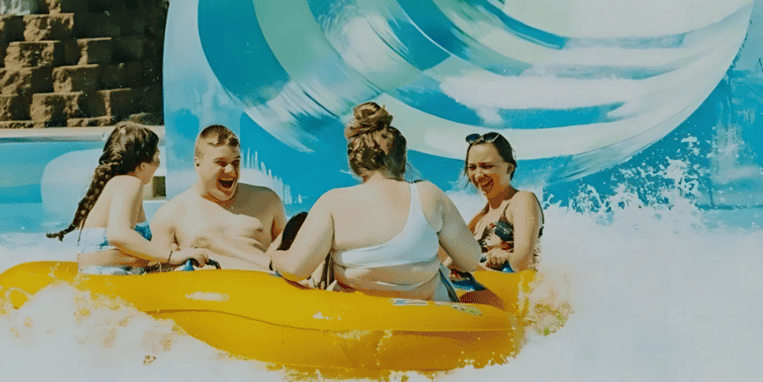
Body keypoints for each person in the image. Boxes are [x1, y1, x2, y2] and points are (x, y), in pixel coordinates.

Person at [270, 102, 482, 300]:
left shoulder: (333, 202)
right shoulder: (428, 194)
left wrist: (277, 257)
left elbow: (296, 269)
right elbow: (470, 260)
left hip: (358, 316)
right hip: (426, 318)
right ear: (403, 159)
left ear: (355, 163)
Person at [46, 122, 209, 273]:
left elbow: (102, 255)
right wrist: (171, 256)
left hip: (99, 280)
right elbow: (119, 235)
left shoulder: (106, 187)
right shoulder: (129, 183)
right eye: (157, 156)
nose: (159, 162)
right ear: (143, 165)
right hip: (112, 283)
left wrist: (163, 261)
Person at [150, 123, 286, 271]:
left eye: (236, 162)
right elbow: (155, 271)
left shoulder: (266, 200)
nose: (231, 170)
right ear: (197, 163)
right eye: (221, 163)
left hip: (263, 287)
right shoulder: (171, 214)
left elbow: (290, 257)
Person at [463, 131, 543, 272]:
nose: (478, 175)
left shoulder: (521, 200)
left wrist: (506, 256)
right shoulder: (479, 219)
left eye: (487, 166)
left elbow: (523, 263)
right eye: (472, 167)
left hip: (521, 291)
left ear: (509, 168)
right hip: (482, 288)